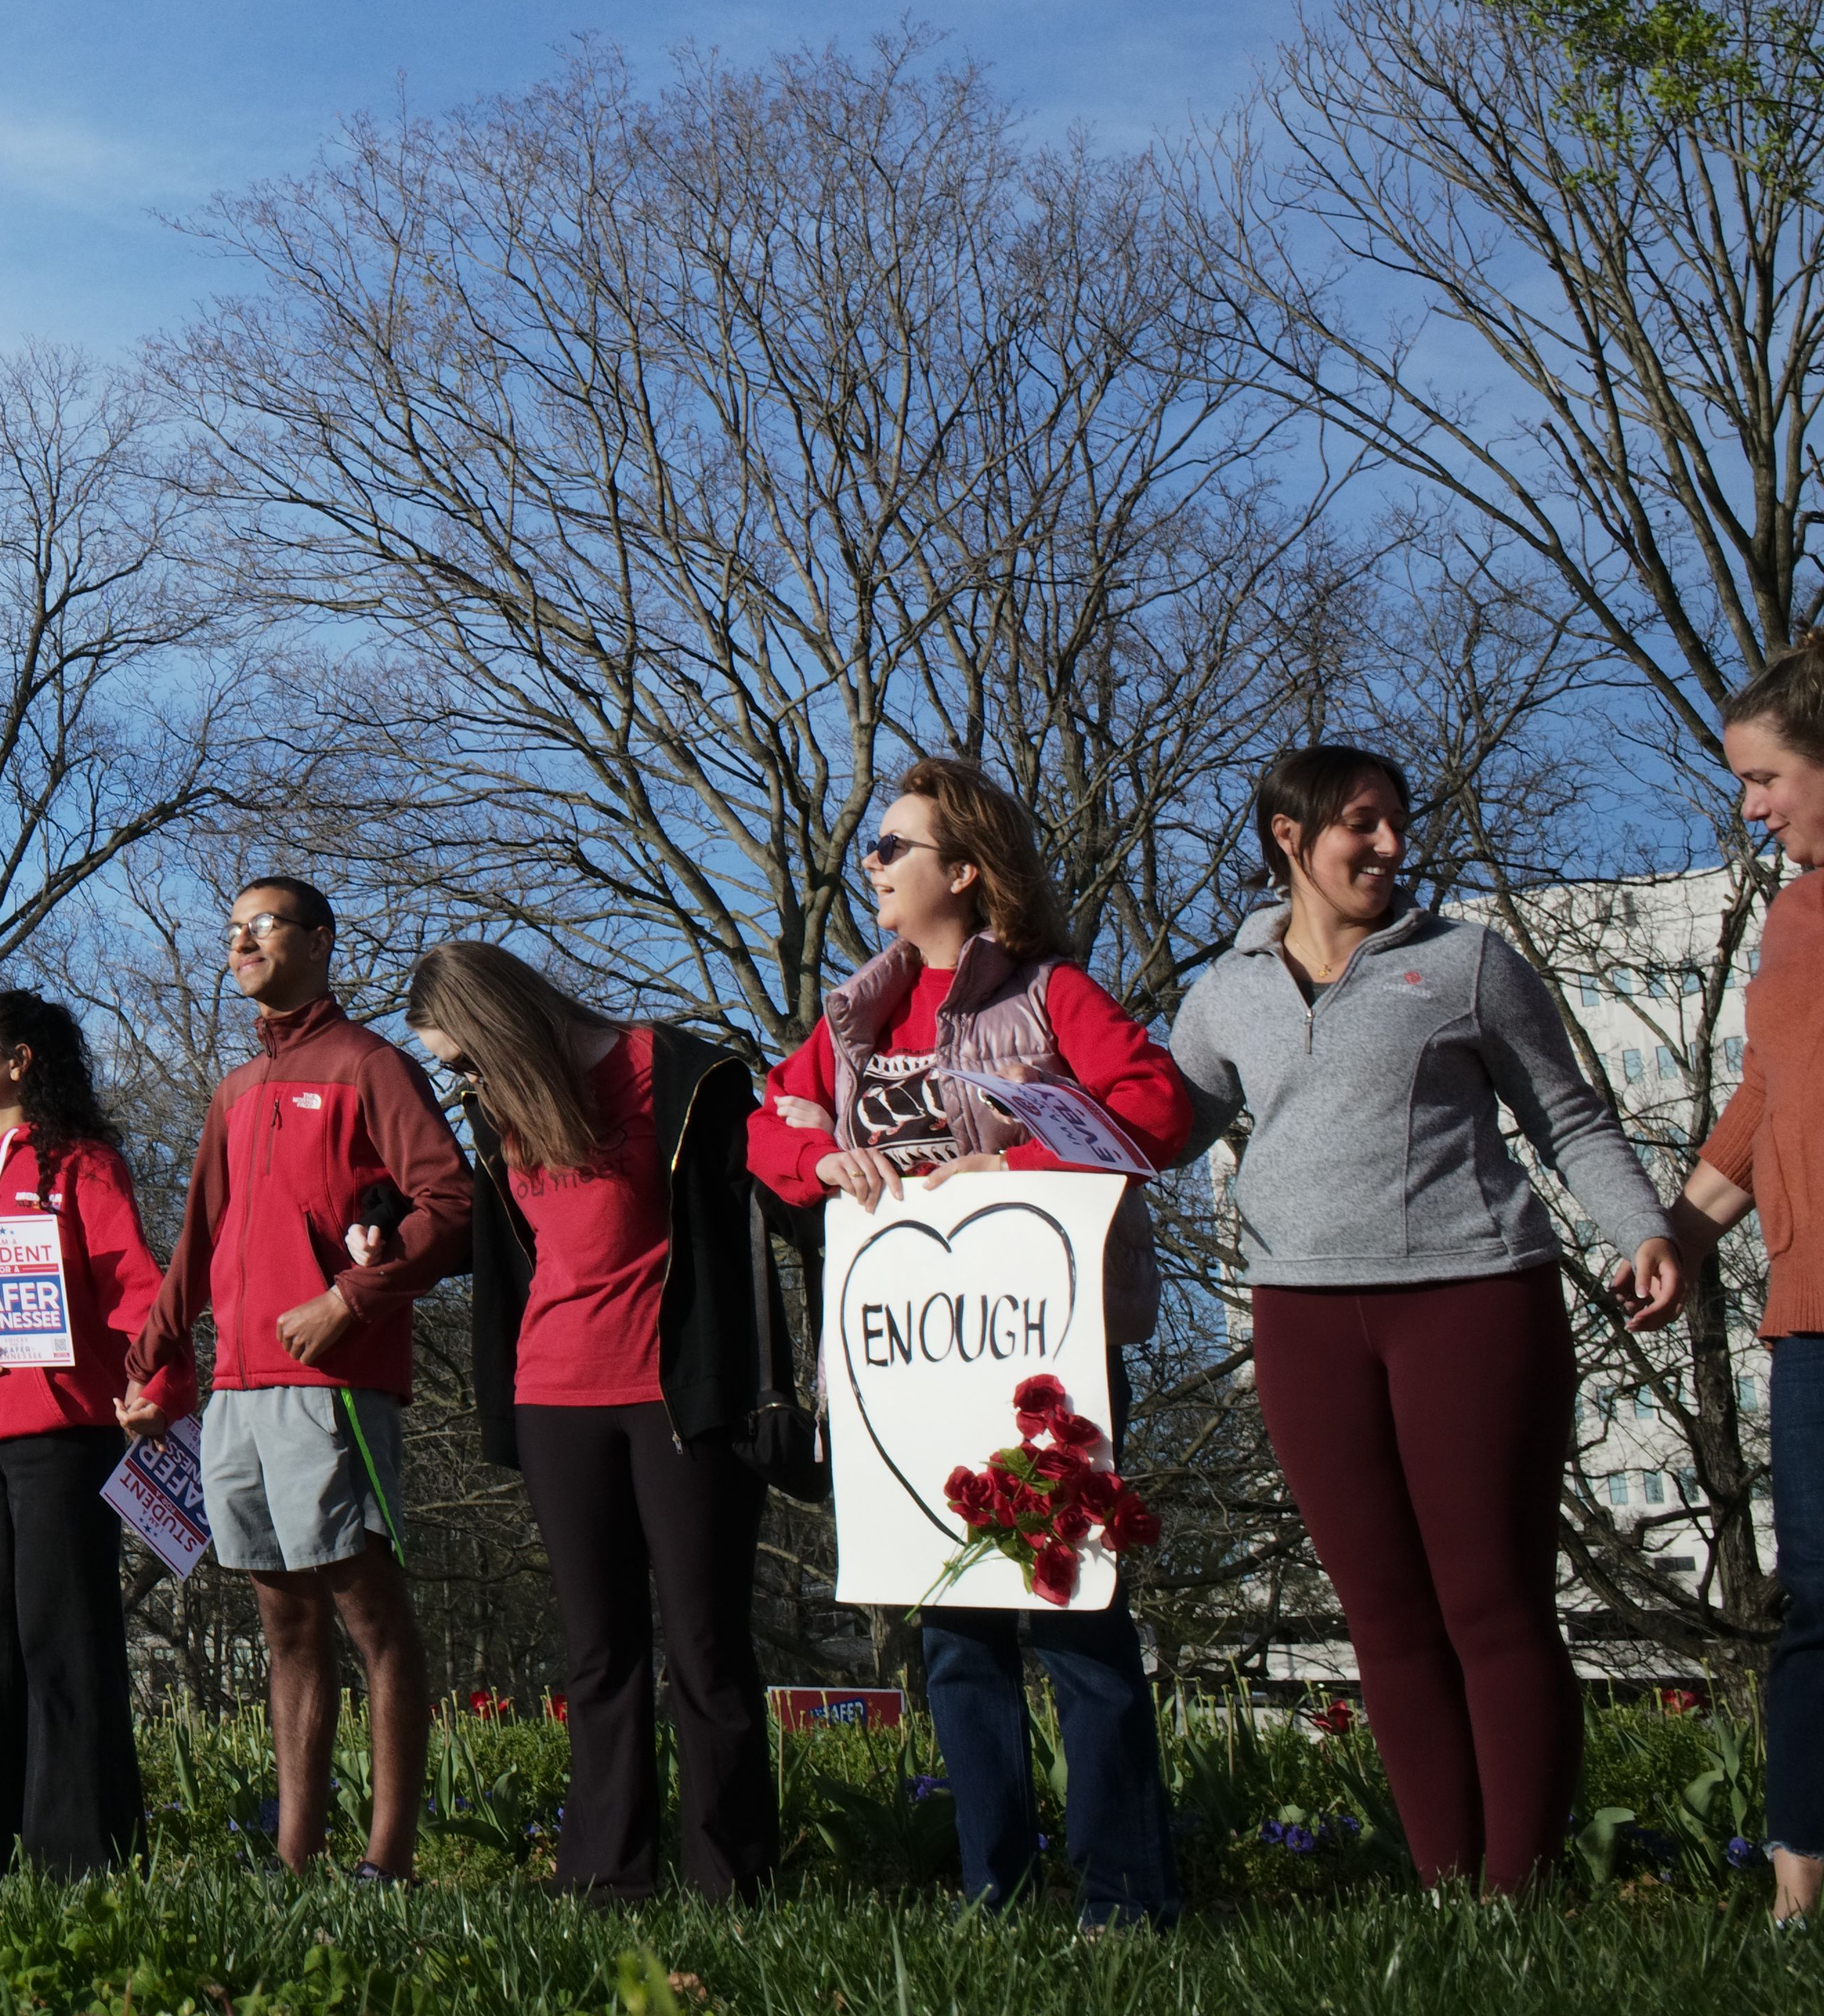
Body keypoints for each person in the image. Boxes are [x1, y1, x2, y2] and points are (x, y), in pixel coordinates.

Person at [1170, 745, 1687, 1894]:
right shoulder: (1225, 991)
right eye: (1364, 823)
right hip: (1305, 1319)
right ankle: (1449, 1891)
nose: (1393, 845)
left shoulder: (1465, 962)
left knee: (1491, 1599)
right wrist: (994, 1140)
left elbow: (1571, 1115)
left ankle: (1523, 1895)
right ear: (1289, 837)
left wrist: (1641, 1228)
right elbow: (1156, 1127)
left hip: (1471, 1299)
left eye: (1398, 823)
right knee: (1384, 1617)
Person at [749, 755, 1194, 1927]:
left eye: (895, 845)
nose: (873, 863)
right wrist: (820, 1158)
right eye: (875, 846)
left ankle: (1124, 1897)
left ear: (965, 870)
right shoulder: (853, 1013)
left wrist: (1019, 1161)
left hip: (1042, 1364)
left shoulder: (1050, 995)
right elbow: (767, 1127)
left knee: (1073, 1615)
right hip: (914, 1371)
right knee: (953, 1634)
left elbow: (1155, 1106)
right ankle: (993, 1888)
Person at [423, 936, 804, 1905]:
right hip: (554, 1401)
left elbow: (774, 1190)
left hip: (681, 1398)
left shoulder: (678, 1073)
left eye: (462, 1057)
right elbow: (503, 1247)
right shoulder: (497, 1114)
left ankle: (731, 1881)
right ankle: (604, 1878)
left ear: (495, 1024)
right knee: (598, 1654)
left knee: (707, 1645)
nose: (460, 1079)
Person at [127, 876, 473, 1887]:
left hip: (332, 1382)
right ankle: (294, 1860)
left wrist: (351, 1299)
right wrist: (150, 1360)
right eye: (229, 929)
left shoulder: (372, 1066)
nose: (240, 943)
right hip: (236, 1388)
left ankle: (390, 1863)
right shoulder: (234, 1090)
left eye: (261, 926)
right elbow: (198, 1239)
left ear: (319, 939)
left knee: (373, 1617)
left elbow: (449, 1204)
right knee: (283, 1622)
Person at [0, 987, 161, 1876]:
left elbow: (136, 1294)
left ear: (18, 1061)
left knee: (64, 1637)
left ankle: (81, 1855)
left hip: (61, 1436)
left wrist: (155, 1385)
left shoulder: (84, 1169)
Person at [1685, 631, 1824, 1924]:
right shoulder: (1792, 915)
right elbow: (1765, 1093)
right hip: (1815, 1315)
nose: (1751, 805)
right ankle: (1800, 1898)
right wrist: (1683, 1231)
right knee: (1821, 1598)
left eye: (1766, 777)